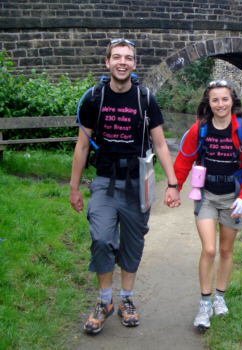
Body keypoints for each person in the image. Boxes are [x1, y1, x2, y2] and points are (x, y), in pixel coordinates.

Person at [69, 38, 181, 335]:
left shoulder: (146, 99)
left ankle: (127, 300)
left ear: (134, 64)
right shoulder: (95, 98)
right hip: (104, 183)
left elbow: (160, 143)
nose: (122, 62)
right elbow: (81, 147)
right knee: (102, 239)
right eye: (116, 57)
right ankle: (105, 301)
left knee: (133, 243)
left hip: (137, 184)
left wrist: (172, 183)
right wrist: (74, 187)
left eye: (128, 58)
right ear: (107, 62)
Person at [173, 80, 242, 329]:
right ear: (208, 103)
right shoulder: (200, 129)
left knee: (226, 251)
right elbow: (184, 159)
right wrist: (174, 187)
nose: (220, 104)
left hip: (234, 198)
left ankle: (220, 298)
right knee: (209, 250)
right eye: (215, 100)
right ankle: (204, 305)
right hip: (208, 196)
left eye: (225, 99)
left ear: (232, 101)